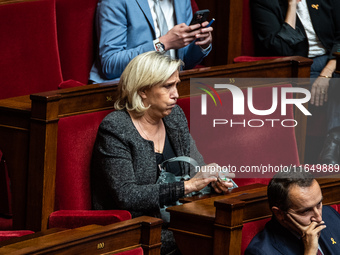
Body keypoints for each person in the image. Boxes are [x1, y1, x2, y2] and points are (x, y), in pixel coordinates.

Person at [91, 51, 234, 255]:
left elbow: (196, 169)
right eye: (167, 86)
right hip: (137, 231)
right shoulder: (115, 128)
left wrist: (213, 181)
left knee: (226, 232)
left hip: (178, 222)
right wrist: (189, 186)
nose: (176, 94)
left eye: (177, 84)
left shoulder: (174, 116)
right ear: (142, 90)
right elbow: (127, 196)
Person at [250, 0, 340, 164]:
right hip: (299, 66)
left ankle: (333, 145)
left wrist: (326, 74)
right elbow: (281, 49)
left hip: (332, 60)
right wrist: (291, 6)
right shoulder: (265, 3)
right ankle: (331, 150)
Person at [88, 0, 213, 83]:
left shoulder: (182, 1)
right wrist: (162, 44)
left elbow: (183, 62)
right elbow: (111, 64)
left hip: (171, 84)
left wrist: (201, 44)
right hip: (131, 86)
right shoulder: (115, 2)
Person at [245, 169, 340, 255]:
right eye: (306, 211)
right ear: (279, 213)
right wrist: (310, 252)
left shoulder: (329, 214)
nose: (319, 218)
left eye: (319, 204)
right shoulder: (260, 252)